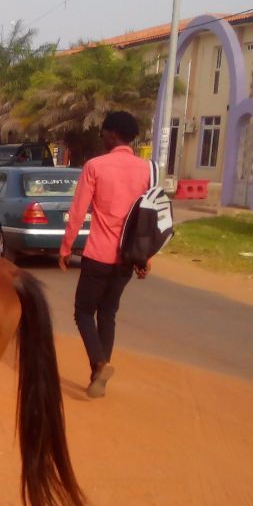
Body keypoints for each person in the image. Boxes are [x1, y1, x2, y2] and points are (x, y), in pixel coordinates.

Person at [58, 110, 151, 399]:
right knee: (108, 314)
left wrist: (66, 247)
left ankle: (99, 365)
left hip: (98, 253)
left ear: (112, 134)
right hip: (127, 257)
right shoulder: (146, 169)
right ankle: (99, 377)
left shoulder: (95, 166)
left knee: (83, 312)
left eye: (102, 133)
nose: (101, 138)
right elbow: (148, 219)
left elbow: (78, 210)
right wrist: (145, 257)